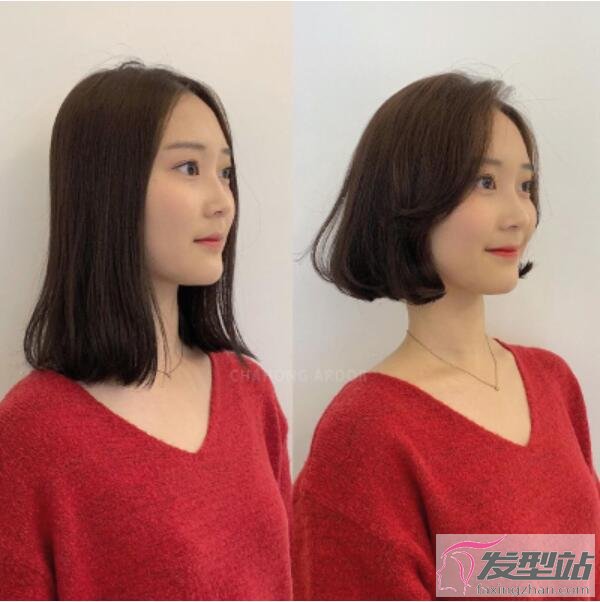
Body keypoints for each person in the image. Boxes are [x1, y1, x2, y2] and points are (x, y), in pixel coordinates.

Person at [292, 72, 600, 600]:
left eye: (525, 186)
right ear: (409, 195)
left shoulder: (552, 382)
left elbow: (572, 570)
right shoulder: (365, 432)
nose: (520, 216)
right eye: (485, 182)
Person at [0, 60, 292, 600]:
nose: (223, 202)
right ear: (109, 187)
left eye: (226, 173)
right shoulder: (32, 434)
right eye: (189, 168)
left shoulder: (250, 392)